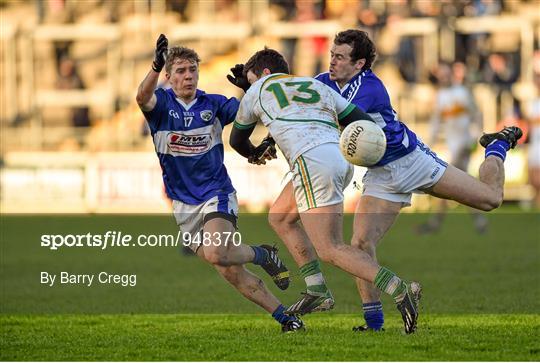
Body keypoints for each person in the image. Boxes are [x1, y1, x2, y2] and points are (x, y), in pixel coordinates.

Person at [310, 29, 521, 331]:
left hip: (412, 161)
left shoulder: (370, 87)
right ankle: (374, 322)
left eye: (340, 57)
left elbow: (333, 120)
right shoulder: (323, 81)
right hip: (382, 175)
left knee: (491, 199)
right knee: (360, 243)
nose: (332, 61)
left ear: (359, 64)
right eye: (332, 54)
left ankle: (496, 146)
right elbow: (297, 96)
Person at [228, 48, 422, 335]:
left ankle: (399, 289)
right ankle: (317, 289)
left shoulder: (257, 91)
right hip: (338, 157)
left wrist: (255, 152)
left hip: (311, 161)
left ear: (264, 74)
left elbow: (237, 139)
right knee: (280, 216)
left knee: (330, 248)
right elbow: (362, 120)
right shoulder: (314, 84)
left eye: (253, 79)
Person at [135, 34, 303, 333]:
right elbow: (141, 97)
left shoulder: (212, 104)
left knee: (217, 253)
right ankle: (286, 318)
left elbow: (247, 116)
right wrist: (155, 65)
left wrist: (250, 90)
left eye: (193, 70)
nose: (188, 76)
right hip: (183, 204)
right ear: (169, 77)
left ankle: (264, 255)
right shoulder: (160, 105)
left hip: (216, 193)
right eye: (181, 71)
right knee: (231, 273)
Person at [417, 61, 488, 234]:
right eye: (441, 74)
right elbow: (435, 123)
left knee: (447, 182)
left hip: (464, 144)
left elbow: (477, 114)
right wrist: (429, 145)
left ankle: (436, 222)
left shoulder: (462, 92)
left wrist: (475, 136)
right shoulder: (440, 96)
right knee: (460, 185)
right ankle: (479, 219)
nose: (444, 77)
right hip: (453, 145)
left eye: (446, 73)